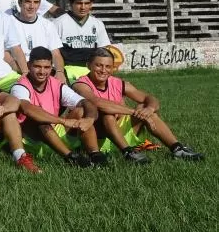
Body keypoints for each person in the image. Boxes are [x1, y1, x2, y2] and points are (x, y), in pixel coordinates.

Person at [72, 48, 204, 163]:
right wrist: (133, 112)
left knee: (144, 108)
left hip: (117, 132)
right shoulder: (81, 84)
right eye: (99, 66)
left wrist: (149, 109)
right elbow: (98, 103)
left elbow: (149, 98)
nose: (103, 70)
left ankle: (177, 149)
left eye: (108, 66)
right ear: (88, 65)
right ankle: (128, 152)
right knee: (107, 115)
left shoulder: (117, 83)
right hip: (93, 137)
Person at [10, 47, 108, 168]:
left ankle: (95, 155)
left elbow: (86, 102)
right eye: (37, 66)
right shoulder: (19, 86)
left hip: (52, 134)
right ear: (29, 65)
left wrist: (90, 119)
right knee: (41, 120)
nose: (42, 71)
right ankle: (71, 158)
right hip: (31, 141)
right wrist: (64, 121)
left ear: (51, 67)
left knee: (81, 111)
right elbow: (27, 109)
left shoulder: (56, 84)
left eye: (46, 67)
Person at [54, 0, 112, 81]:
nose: (83, 7)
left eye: (86, 3)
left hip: (93, 71)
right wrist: (59, 72)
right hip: (68, 70)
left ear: (91, 4)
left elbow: (104, 50)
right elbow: (54, 52)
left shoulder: (98, 24)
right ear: (71, 4)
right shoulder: (58, 23)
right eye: (79, 3)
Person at [11, 0, 67, 82]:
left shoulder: (48, 25)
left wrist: (60, 71)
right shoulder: (9, 23)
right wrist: (25, 71)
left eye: (36, 2)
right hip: (19, 71)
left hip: (44, 71)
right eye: (28, 2)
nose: (32, 6)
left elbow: (56, 53)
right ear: (20, 3)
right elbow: (5, 55)